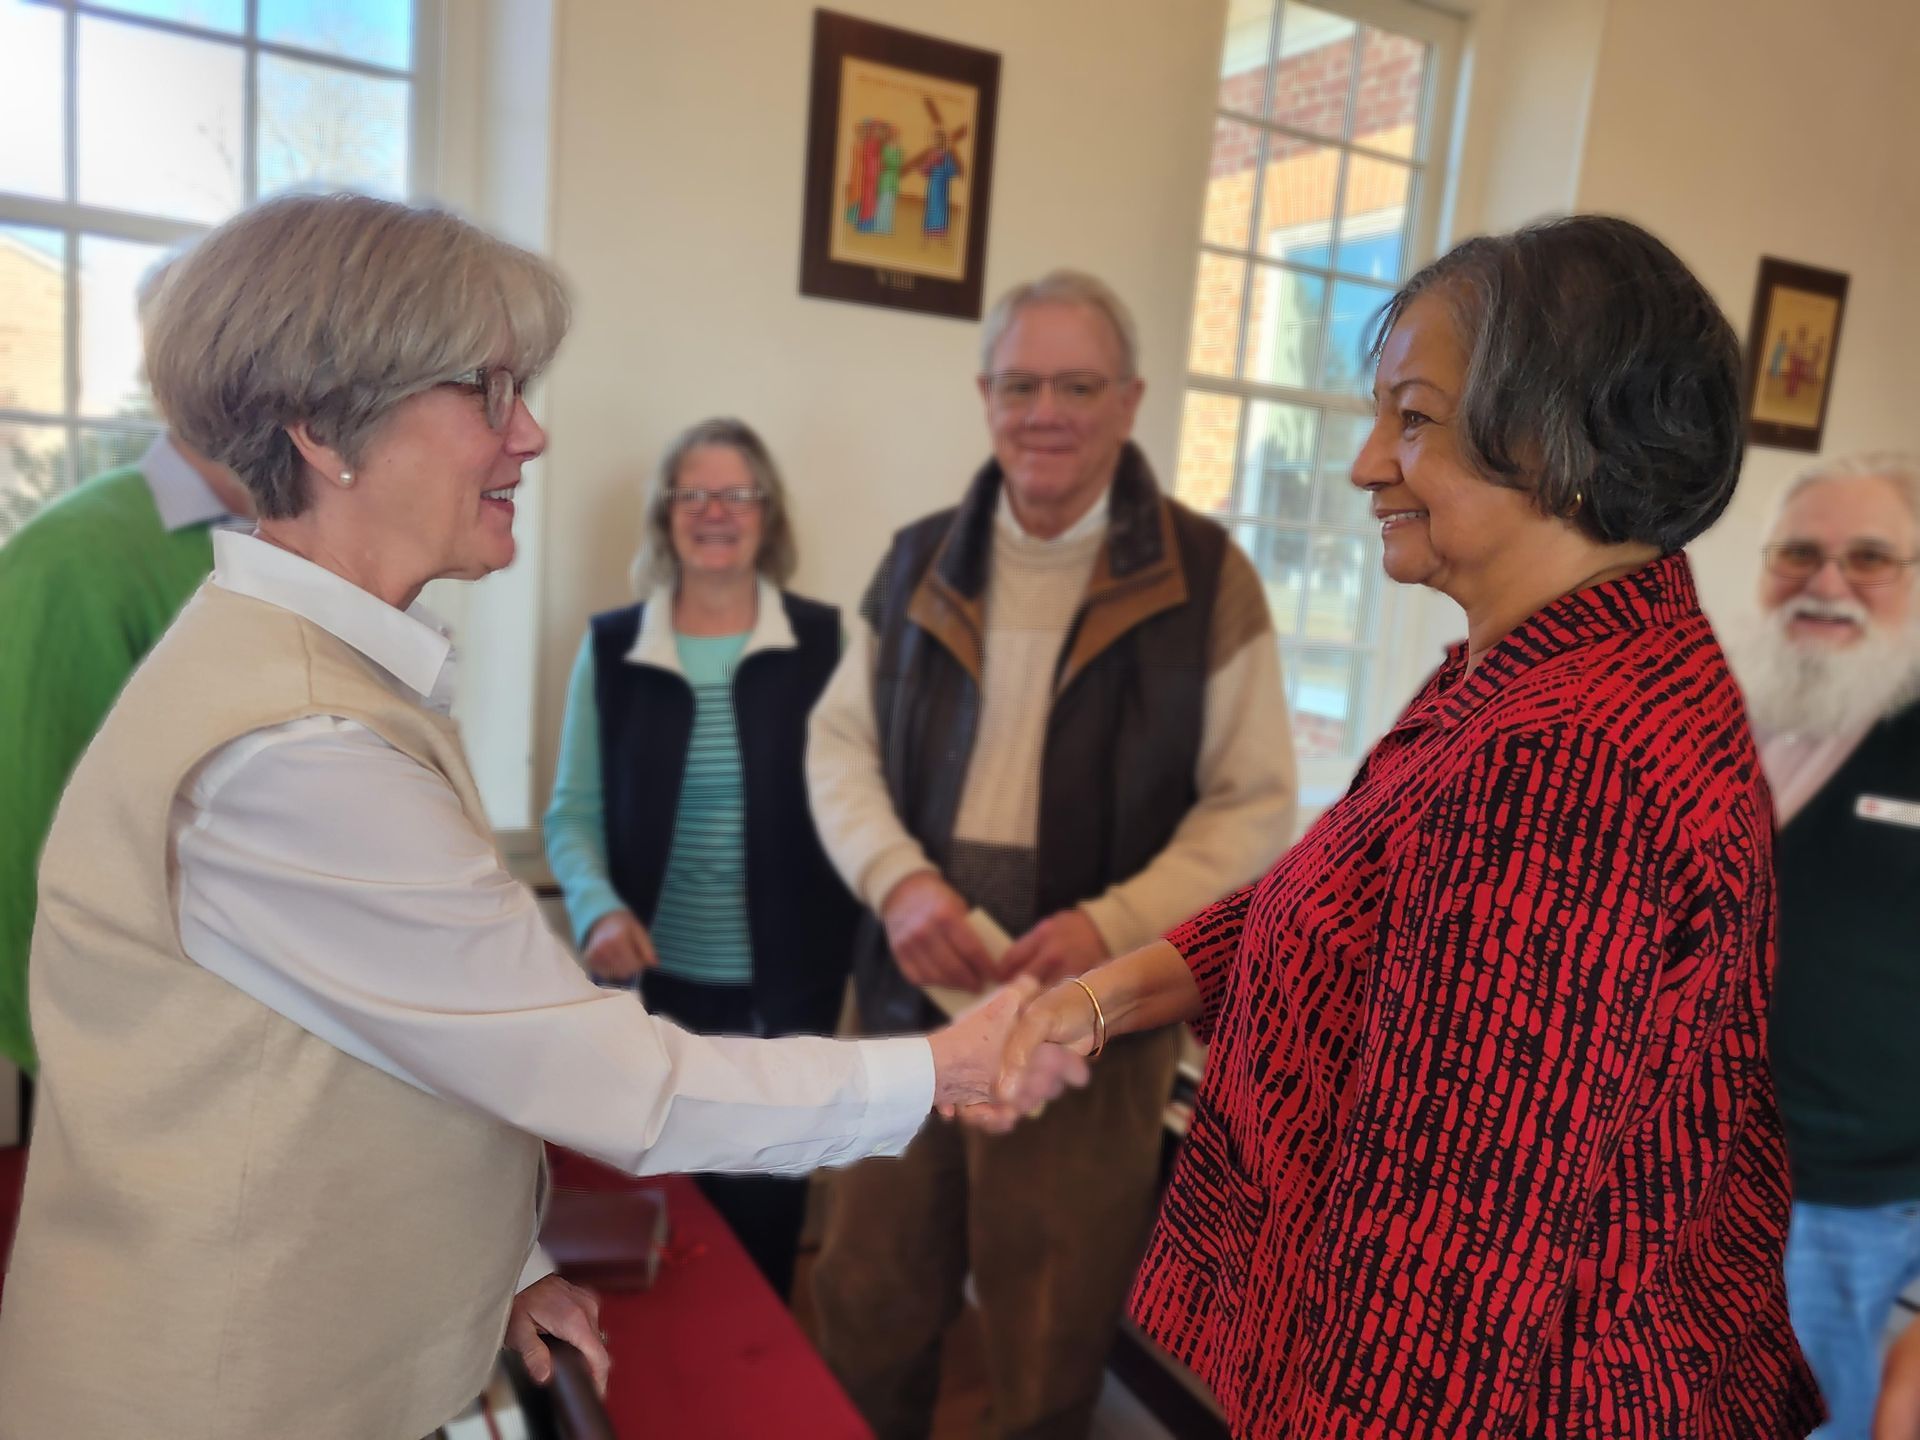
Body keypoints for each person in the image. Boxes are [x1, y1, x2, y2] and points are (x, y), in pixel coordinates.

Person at [0, 192, 1046, 1440]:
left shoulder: (312, 675)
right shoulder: (294, 749)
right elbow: (608, 1080)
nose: (532, 433)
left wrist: (492, 1266)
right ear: (326, 430)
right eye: (488, 391)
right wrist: (941, 1066)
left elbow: (359, 1059)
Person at [992, 216, 1825, 1438]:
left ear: (1557, 436)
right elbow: (1346, 897)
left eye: (1415, 419)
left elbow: (1440, 1278)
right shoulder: (1546, 669)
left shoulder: (1570, 758)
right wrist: (1100, 999)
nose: (1368, 463)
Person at [806, 268, 1297, 1439]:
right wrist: (899, 879)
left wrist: (1113, 926)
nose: (1047, 411)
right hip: (909, 1008)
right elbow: (838, 746)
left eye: (1077, 384)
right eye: (1021, 382)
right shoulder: (916, 561)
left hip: (1092, 1021)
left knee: (1045, 1336)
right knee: (867, 1303)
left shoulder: (1210, 579)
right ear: (984, 396)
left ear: (1129, 401)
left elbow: (1252, 806)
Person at [544, 416, 860, 1299]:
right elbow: (571, 815)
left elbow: (863, 814)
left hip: (786, 1001)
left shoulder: (830, 647)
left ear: (768, 514)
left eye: (737, 493)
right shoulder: (613, 649)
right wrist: (597, 907)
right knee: (654, 1226)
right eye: (695, 493)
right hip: (655, 1000)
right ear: (666, 514)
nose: (715, 511)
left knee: (762, 1232)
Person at [0, 256, 252, 1085]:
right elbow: (28, 843)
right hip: (151, 1059)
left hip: (284, 1038)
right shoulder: (71, 560)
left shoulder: (297, 547)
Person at [1737, 453, 1920, 1440]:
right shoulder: (1707, 726)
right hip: (1663, 1201)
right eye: (1799, 552)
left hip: (1849, 1229)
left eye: (1870, 558)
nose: (1827, 581)